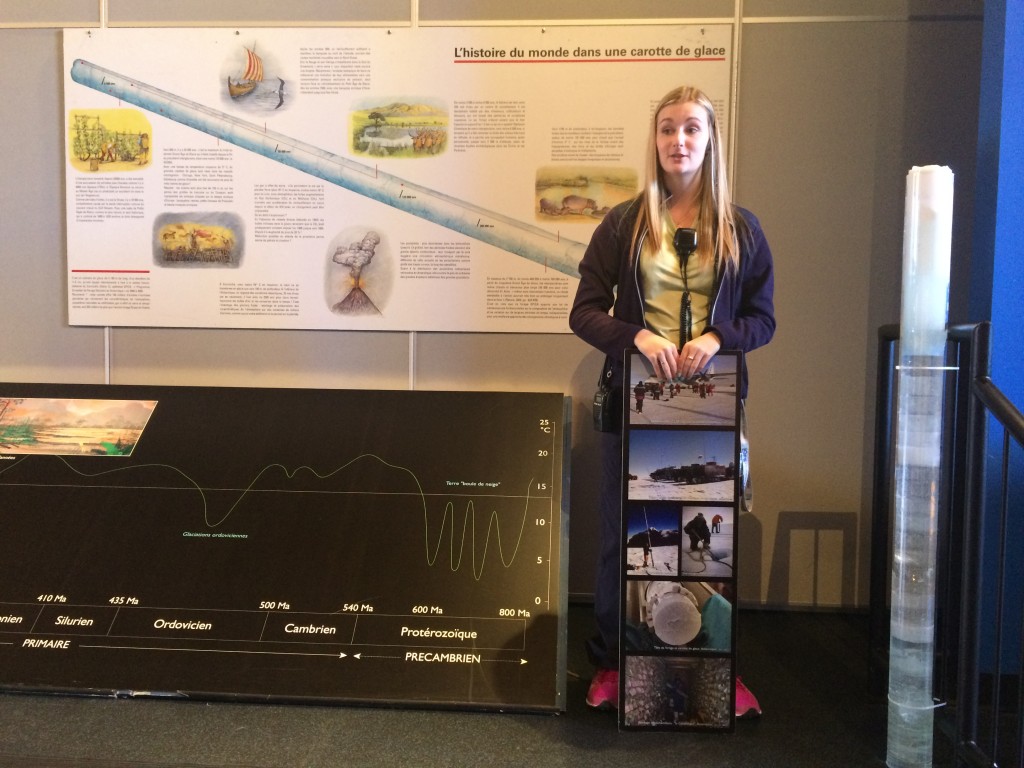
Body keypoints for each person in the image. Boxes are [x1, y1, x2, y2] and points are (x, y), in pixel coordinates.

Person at [569, 85, 775, 711]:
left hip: (711, 409)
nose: (677, 141)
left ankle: (715, 666)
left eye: (690, 128)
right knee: (625, 539)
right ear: (654, 139)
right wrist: (635, 335)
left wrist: (718, 337)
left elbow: (763, 319)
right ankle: (616, 661)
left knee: (706, 544)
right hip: (632, 406)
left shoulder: (741, 228)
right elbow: (584, 311)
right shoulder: (623, 224)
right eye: (666, 128)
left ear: (709, 140)